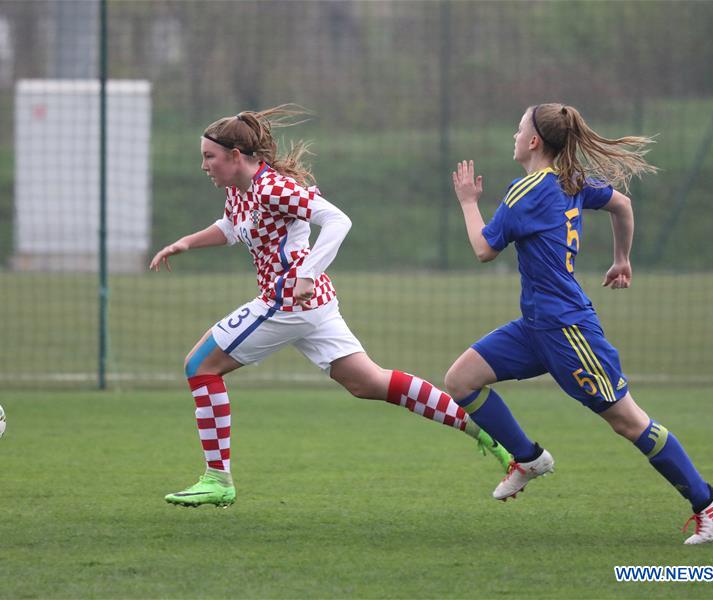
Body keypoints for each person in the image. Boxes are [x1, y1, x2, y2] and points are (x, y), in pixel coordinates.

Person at [149, 105, 511, 508]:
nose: (204, 166)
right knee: (368, 383)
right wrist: (187, 242)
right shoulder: (241, 190)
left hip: (287, 300)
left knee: (200, 366)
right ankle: (482, 431)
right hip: (312, 304)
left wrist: (306, 271)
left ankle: (218, 479)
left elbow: (338, 220)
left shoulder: (273, 188)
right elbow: (234, 228)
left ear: (236, 156)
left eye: (209, 157)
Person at [443, 103, 713, 544]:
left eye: (519, 127)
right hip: (535, 325)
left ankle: (707, 499)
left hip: (568, 332)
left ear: (534, 141)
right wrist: (622, 259)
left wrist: (468, 203)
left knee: (628, 421)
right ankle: (529, 458)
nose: (515, 134)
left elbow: (485, 249)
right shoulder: (569, 181)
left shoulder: (528, 190)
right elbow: (622, 204)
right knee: (461, 380)